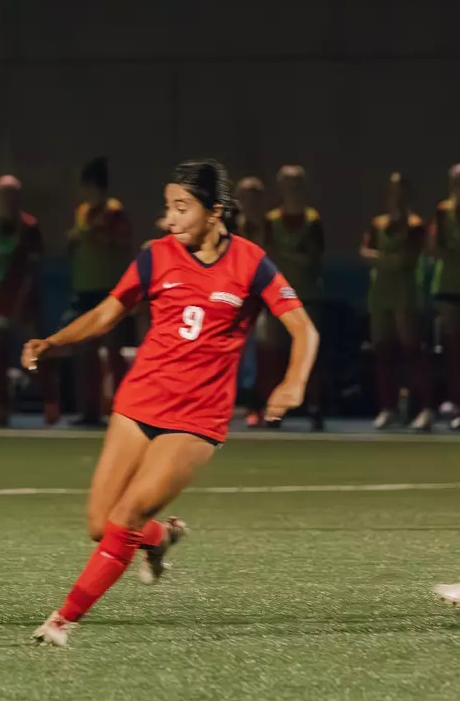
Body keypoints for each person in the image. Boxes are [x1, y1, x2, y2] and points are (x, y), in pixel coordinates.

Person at [22, 160, 318, 647]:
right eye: (167, 208)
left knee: (127, 516)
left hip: (197, 418)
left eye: (182, 208)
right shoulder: (155, 257)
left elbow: (304, 328)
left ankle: (63, 620)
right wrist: (52, 341)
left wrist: (293, 382)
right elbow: (105, 315)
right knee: (102, 525)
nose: (171, 218)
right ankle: (161, 538)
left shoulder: (250, 262)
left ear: (215, 211)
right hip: (139, 403)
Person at [0, 175, 52, 427]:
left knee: (34, 353)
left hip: (22, 298)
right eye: (4, 194)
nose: (8, 200)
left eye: (12, 195)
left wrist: (23, 298)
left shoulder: (29, 226)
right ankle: (2, 408)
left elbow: (33, 265)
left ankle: (50, 399)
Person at [360, 172, 432, 431]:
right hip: (380, 291)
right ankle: (387, 407)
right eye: (392, 190)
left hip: (404, 291)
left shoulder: (414, 225)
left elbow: (408, 258)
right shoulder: (378, 223)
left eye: (401, 190)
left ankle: (424, 407)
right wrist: (388, 259)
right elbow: (365, 251)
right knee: (382, 349)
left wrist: (383, 259)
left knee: (411, 349)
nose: (396, 196)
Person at [66, 157, 133, 425]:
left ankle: (123, 409)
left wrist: (98, 237)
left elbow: (122, 243)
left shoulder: (114, 212)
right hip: (85, 288)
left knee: (113, 350)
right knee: (87, 350)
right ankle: (90, 410)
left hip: (109, 289)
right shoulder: (82, 212)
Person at [259, 165, 327, 429]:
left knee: (307, 353)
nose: (292, 189)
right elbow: (267, 256)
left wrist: (289, 255)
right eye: (287, 184)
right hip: (278, 296)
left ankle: (315, 406)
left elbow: (313, 256)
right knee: (275, 353)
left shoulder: (312, 219)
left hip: (306, 294)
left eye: (296, 184)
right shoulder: (272, 220)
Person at [232, 177, 269, 427]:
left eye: (255, 196)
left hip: (262, 296)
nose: (250, 202)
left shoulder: (269, 226)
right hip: (235, 297)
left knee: (259, 352)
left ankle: (258, 406)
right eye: (246, 196)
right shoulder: (231, 227)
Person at [430, 164, 460, 430]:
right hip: (448, 284)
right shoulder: (444, 211)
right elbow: (435, 247)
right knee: (451, 345)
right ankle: (453, 398)